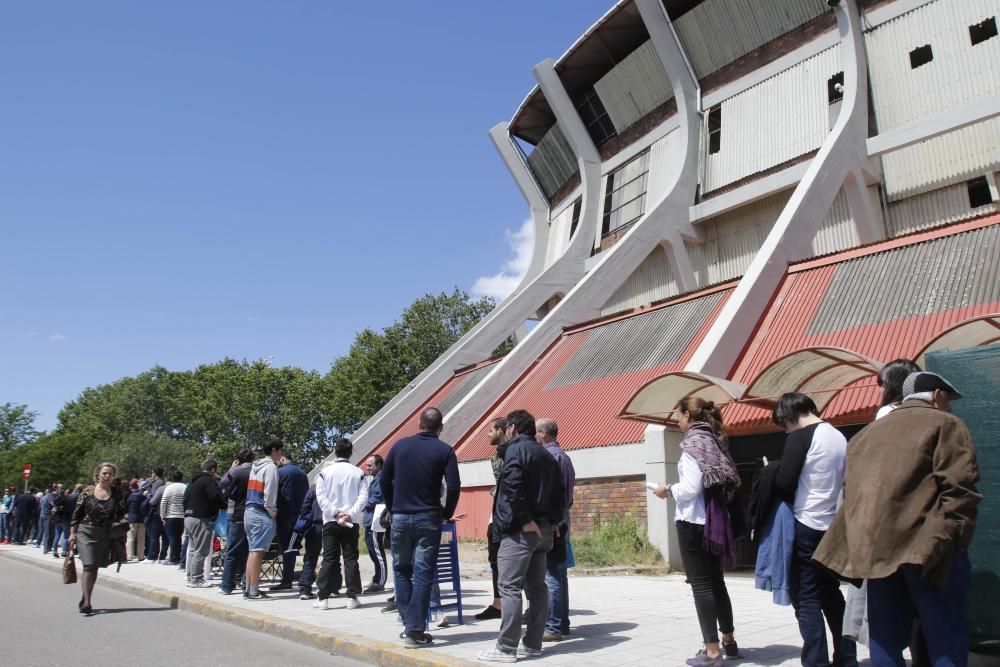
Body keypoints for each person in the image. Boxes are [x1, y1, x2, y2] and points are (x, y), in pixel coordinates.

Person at [814, 372, 981, 666]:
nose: (950, 406)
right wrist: (955, 539)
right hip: (929, 549)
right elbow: (960, 488)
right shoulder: (945, 424)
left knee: (885, 641)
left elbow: (851, 493)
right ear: (937, 394)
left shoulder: (866, 434)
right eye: (948, 399)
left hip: (877, 551)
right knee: (946, 639)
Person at [652, 398, 741, 667]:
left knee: (701, 585)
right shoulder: (715, 440)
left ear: (688, 415)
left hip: (693, 521)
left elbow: (691, 489)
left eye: (678, 415)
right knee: (717, 582)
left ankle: (712, 651)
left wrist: (667, 489)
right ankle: (728, 641)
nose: (677, 420)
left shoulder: (692, 444)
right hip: (714, 520)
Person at [771, 393, 857, 667]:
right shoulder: (838, 436)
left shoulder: (801, 436)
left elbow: (785, 482)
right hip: (832, 527)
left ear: (789, 416)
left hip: (806, 524)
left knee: (806, 598)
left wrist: (770, 471)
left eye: (784, 424)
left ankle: (815, 661)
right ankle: (846, 658)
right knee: (832, 594)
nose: (786, 430)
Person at [477, 409, 565, 664]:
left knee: (509, 587)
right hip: (543, 531)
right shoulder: (546, 453)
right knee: (537, 587)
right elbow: (559, 492)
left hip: (520, 531)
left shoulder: (516, 450)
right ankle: (533, 644)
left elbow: (513, 487)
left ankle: (506, 648)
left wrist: (525, 520)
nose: (503, 431)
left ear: (512, 428)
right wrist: (554, 521)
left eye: (505, 427)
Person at [381, 407, 461, 648]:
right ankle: (414, 629)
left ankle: (409, 624)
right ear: (441, 427)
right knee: (424, 572)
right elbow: (455, 485)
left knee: (402, 569)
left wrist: (392, 506)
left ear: (419, 423)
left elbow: (384, 479)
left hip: (401, 517)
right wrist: (446, 513)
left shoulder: (399, 446)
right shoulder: (445, 450)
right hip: (428, 517)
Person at [313, 438, 369, 610]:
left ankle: (323, 598)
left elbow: (321, 498)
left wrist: (336, 513)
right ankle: (352, 597)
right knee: (351, 558)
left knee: (329, 558)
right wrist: (349, 514)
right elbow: (363, 498)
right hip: (350, 522)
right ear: (350, 452)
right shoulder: (358, 473)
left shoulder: (325, 473)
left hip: (331, 520)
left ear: (335, 452)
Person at [536, 417, 576, 643]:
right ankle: (562, 623)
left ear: (543, 433)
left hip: (555, 520)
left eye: (535, 433)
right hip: (562, 517)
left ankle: (553, 627)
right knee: (559, 573)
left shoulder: (551, 457)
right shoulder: (564, 457)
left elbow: (554, 495)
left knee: (552, 572)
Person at [69, 463, 128, 614]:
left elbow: (122, 513)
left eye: (110, 474)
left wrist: (121, 530)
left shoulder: (117, 495)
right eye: (104, 473)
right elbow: (76, 515)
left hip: (105, 533)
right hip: (86, 531)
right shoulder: (86, 493)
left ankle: (85, 595)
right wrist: (72, 534)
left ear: (114, 476)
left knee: (94, 566)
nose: (107, 476)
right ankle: (87, 603)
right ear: (98, 474)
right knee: (88, 565)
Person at [475, 417, 508, 621]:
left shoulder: (514, 453)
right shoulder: (496, 455)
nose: (488, 434)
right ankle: (498, 604)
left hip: (508, 515)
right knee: (495, 561)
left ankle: (514, 606)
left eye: (491, 430)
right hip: (497, 513)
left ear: (502, 430)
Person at [244, 439, 284, 600]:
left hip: (249, 511)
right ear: (274, 450)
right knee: (258, 553)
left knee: (252, 552)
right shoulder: (271, 468)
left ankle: (248, 587)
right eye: (280, 450)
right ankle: (254, 590)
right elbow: (270, 494)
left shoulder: (255, 466)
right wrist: (272, 513)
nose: (282, 454)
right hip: (261, 513)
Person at [183, 459, 226, 588]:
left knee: (192, 549)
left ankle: (190, 577)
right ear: (213, 470)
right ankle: (197, 579)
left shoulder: (192, 481)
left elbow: (184, 500)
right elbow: (214, 497)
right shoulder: (208, 481)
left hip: (188, 517)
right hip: (201, 518)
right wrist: (223, 505)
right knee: (201, 550)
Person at [270, 455, 309, 591]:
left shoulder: (280, 472)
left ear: (282, 459)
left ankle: (287, 581)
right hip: (300, 516)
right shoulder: (302, 473)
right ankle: (302, 577)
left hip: (285, 516)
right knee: (293, 548)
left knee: (288, 549)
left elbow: (273, 493)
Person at [218, 451, 253, 596]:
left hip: (236, 513)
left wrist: (232, 468)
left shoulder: (237, 471)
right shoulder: (256, 470)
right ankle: (245, 582)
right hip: (252, 512)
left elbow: (222, 483)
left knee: (231, 550)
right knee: (249, 550)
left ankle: (226, 585)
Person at [361, 454, 388, 594]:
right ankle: (376, 578)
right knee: (372, 551)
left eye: (370, 465)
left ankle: (381, 581)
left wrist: (360, 504)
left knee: (377, 552)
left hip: (375, 521)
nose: (367, 467)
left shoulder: (382, 478)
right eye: (367, 465)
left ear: (378, 465)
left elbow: (376, 498)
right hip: (369, 520)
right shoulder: (374, 479)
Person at [295, 485, 323, 600]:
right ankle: (331, 587)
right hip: (331, 524)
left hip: (315, 525)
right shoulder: (337, 487)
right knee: (331, 557)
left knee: (310, 557)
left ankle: (305, 589)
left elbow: (305, 507)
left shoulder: (315, 488)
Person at [159, 470, 186, 566]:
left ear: (173, 478)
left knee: (172, 537)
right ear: (182, 478)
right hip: (182, 517)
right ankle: (178, 556)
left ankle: (174, 558)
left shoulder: (169, 488)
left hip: (170, 516)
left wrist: (162, 515)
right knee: (178, 537)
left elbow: (164, 502)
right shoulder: (185, 487)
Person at [125, 479, 145, 561]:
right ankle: (140, 556)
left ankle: (129, 556)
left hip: (132, 518)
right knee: (141, 538)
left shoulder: (131, 496)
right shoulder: (143, 496)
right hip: (141, 518)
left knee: (130, 538)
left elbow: (127, 505)